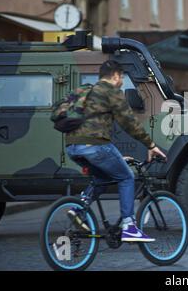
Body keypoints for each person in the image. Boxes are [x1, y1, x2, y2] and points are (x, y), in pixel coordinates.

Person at [66, 60, 166, 243]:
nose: (121, 81)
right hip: (95, 145)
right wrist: (151, 145)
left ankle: (79, 209)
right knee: (126, 177)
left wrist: (117, 157)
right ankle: (129, 226)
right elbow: (129, 123)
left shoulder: (86, 91)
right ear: (115, 76)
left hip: (73, 147)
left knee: (102, 179)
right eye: (121, 77)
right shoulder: (112, 92)